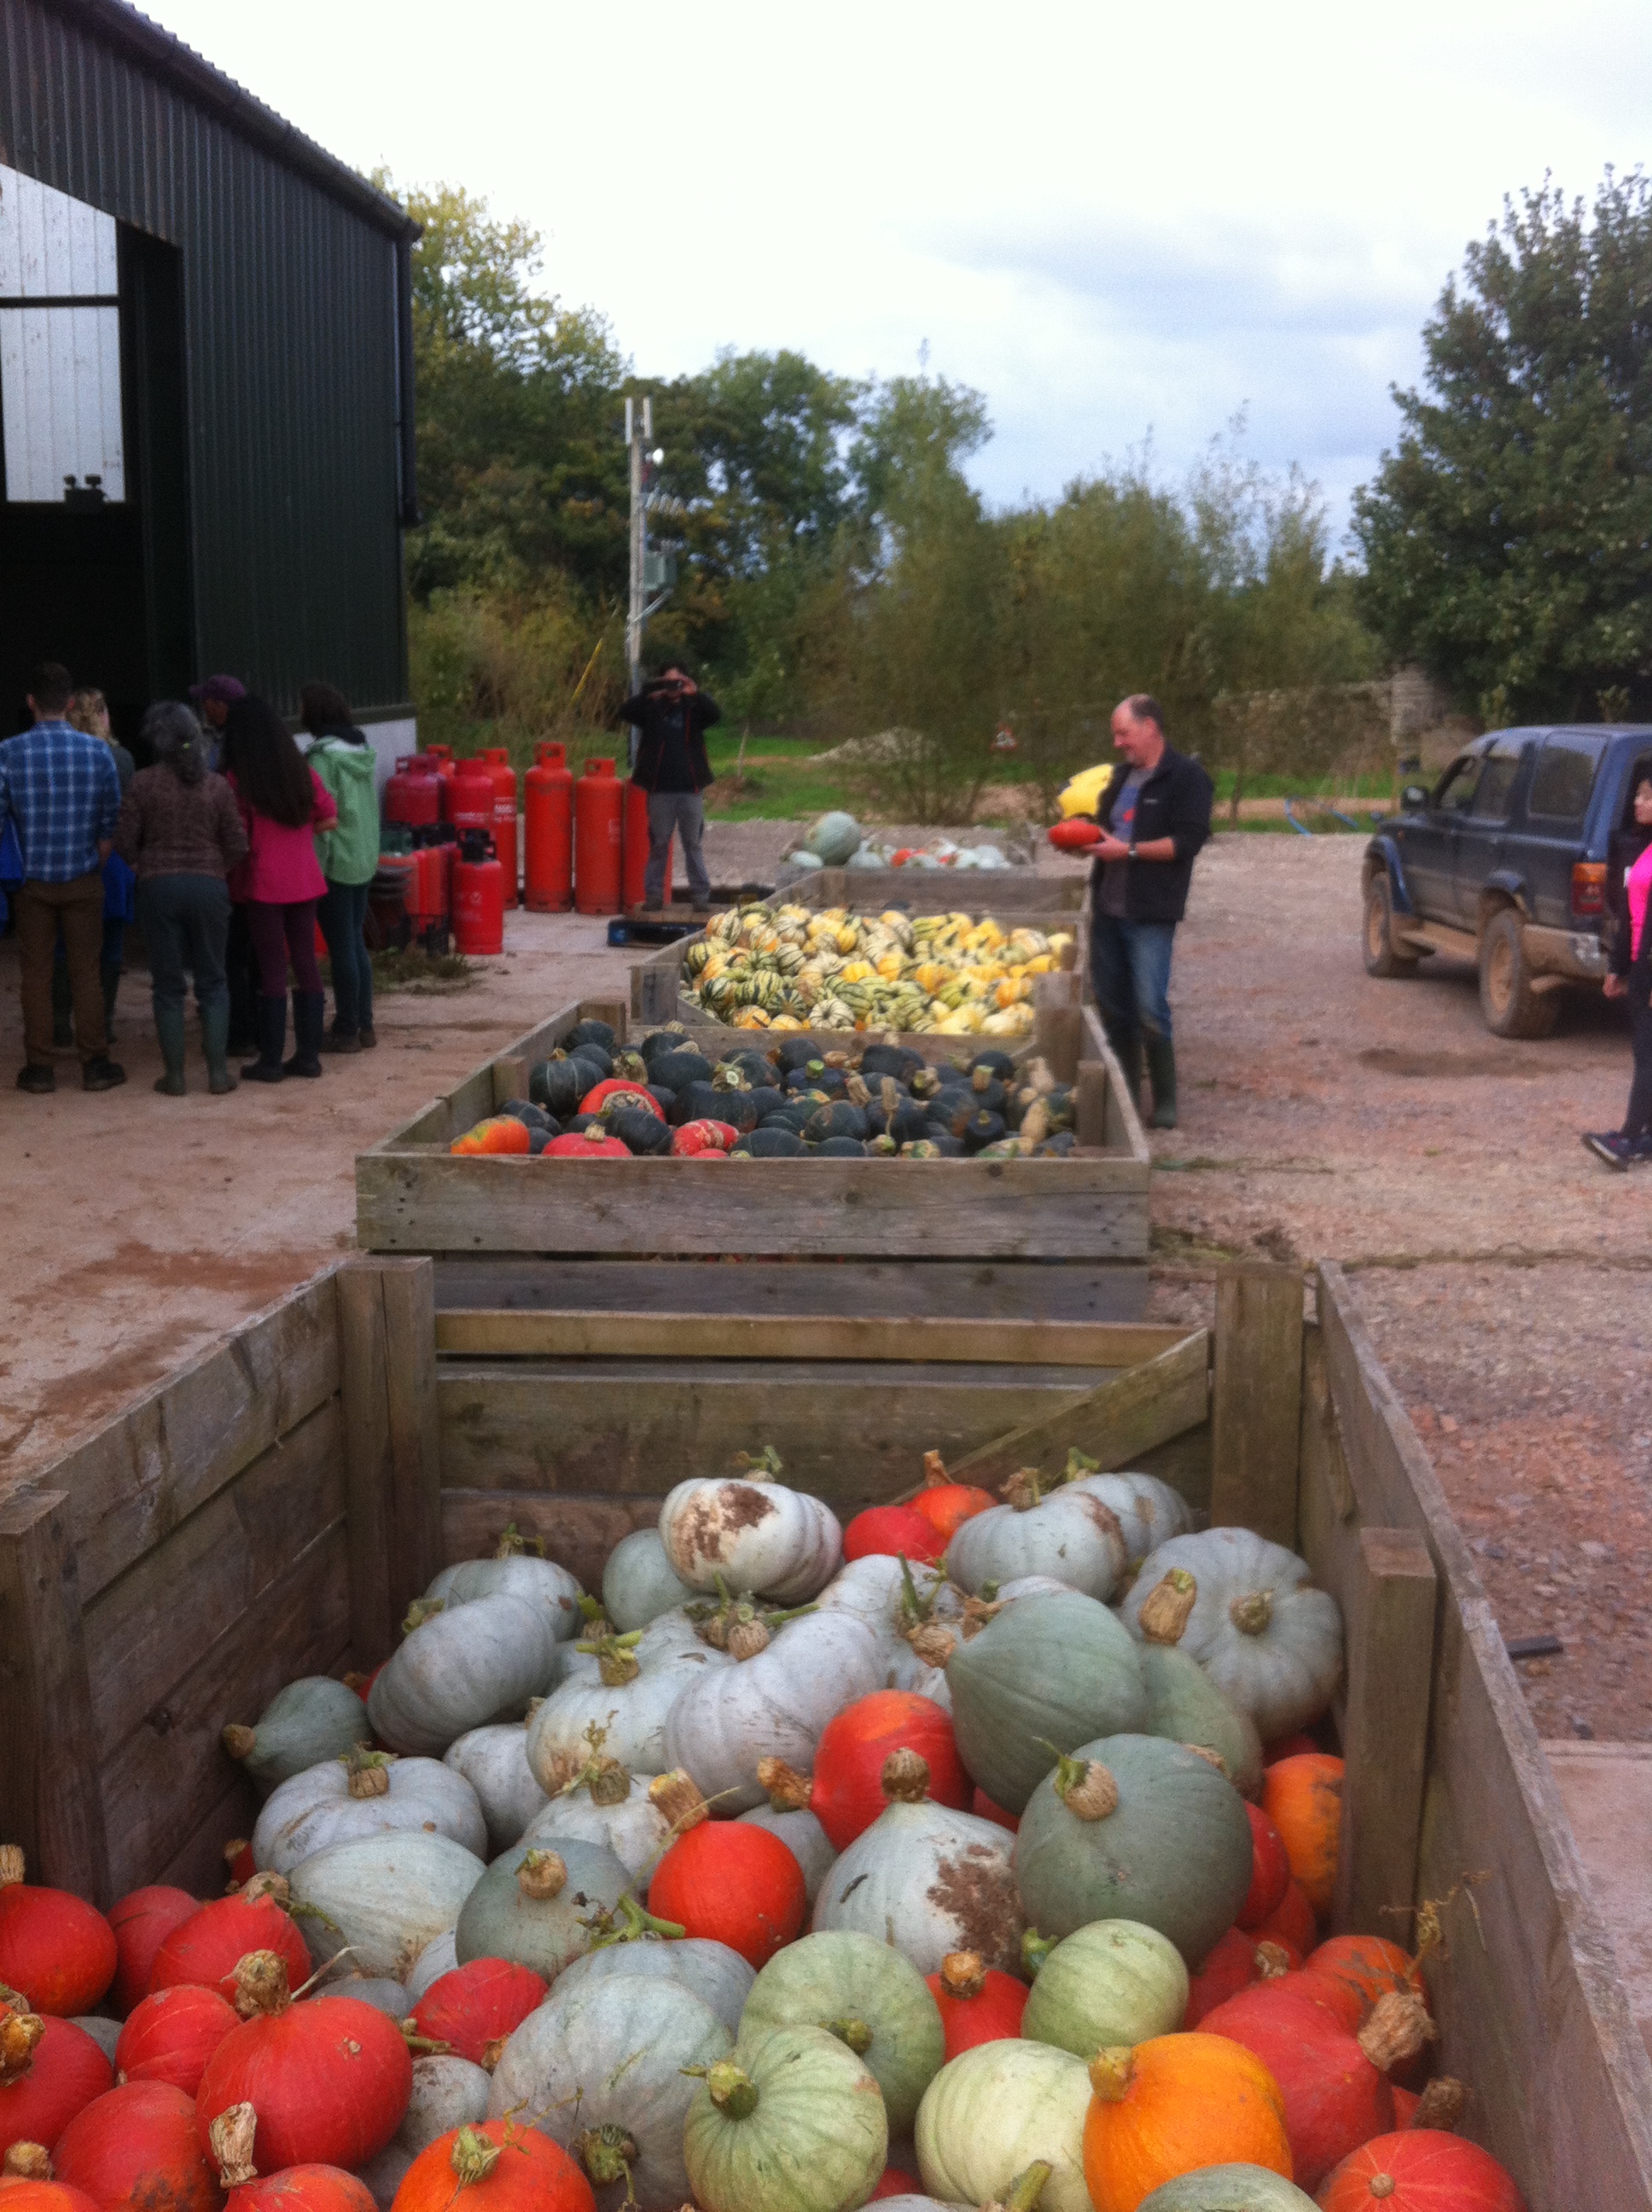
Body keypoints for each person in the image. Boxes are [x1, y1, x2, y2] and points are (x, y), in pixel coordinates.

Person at [1086, 693, 1213, 1131]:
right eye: (1115, 735)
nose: (1118, 743)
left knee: (1149, 1008)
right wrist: (1083, 842)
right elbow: (1107, 834)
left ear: (1150, 727)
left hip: (1150, 913)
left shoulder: (1187, 777)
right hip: (1108, 908)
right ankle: (1124, 1097)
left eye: (1123, 733)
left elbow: (1187, 842)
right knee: (1113, 1009)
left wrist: (1128, 851)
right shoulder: (1121, 777)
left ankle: (1165, 1101)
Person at [0, 661, 125, 1092]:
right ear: (70, 703)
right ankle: (95, 1063)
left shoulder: (8, 752)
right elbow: (110, 821)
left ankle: (39, 1067)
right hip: (83, 875)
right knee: (86, 970)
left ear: (30, 702)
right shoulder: (98, 752)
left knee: (35, 974)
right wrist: (95, 862)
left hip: (31, 883)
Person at [113, 701, 248, 1096]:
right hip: (209, 886)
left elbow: (123, 839)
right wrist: (216, 867)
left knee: (168, 986)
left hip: (159, 887)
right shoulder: (217, 785)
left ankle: (174, 1077)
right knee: (214, 980)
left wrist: (142, 865)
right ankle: (218, 1074)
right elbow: (238, 844)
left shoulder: (143, 783)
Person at [219, 694, 337, 1083]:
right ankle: (308, 1057)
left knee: (272, 968)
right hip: (305, 878)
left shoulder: (238, 781)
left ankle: (270, 1061)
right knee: (305, 962)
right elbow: (330, 818)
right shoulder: (301, 772)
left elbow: (237, 838)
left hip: (265, 882)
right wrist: (299, 835)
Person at [51, 686, 136, 1048]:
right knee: (111, 941)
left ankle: (61, 1022)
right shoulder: (120, 758)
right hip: (113, 858)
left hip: (66, 854)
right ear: (104, 716)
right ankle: (104, 1021)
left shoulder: (59, 755)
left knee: (64, 941)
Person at [300, 681, 379, 1052]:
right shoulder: (361, 750)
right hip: (362, 857)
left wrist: (315, 866)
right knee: (355, 942)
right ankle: (365, 1025)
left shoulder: (321, 758)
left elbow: (322, 816)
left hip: (335, 863)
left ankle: (346, 1029)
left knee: (342, 946)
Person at [1585, 774, 1652, 1168]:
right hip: (1641, 961)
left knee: (1647, 1055)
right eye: (1639, 795)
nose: (1638, 802)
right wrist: (1618, 966)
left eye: (1647, 797)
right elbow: (1631, 914)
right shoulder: (1643, 848)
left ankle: (1627, 1139)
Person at [618, 662, 719, 911]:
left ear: (685, 682)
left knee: (693, 844)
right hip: (660, 790)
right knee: (659, 843)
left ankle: (701, 897)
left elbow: (715, 715)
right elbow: (625, 712)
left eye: (677, 681)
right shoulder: (652, 708)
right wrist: (648, 691)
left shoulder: (694, 708)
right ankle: (654, 896)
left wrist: (696, 693)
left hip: (690, 790)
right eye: (668, 681)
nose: (673, 687)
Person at [189, 674, 247, 769]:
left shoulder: (242, 741)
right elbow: (187, 746)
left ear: (220, 704)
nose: (203, 706)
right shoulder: (210, 734)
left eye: (204, 700)